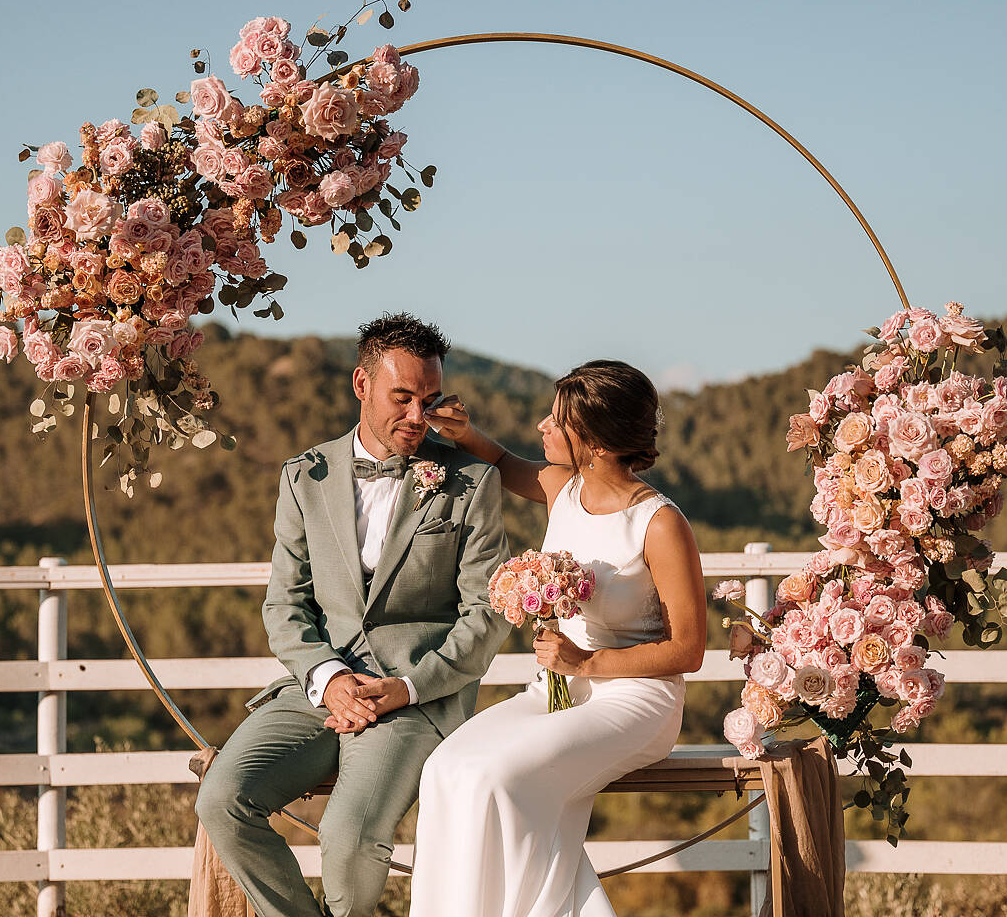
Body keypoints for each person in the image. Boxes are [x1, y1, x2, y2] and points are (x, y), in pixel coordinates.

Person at [196, 313, 511, 917]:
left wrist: (408, 685)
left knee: (346, 838)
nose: (418, 416)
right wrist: (330, 678)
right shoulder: (304, 475)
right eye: (402, 398)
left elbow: (487, 616)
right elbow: (285, 605)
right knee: (223, 801)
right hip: (317, 687)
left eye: (429, 399)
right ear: (360, 385)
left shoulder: (470, 482)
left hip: (416, 693)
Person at [408, 359, 707, 917]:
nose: (542, 426)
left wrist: (589, 664)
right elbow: (498, 460)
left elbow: (688, 650)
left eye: (556, 419)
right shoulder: (560, 489)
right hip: (555, 691)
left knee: (499, 779)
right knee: (446, 770)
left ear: (593, 441)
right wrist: (462, 432)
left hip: (636, 700)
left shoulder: (660, 523)